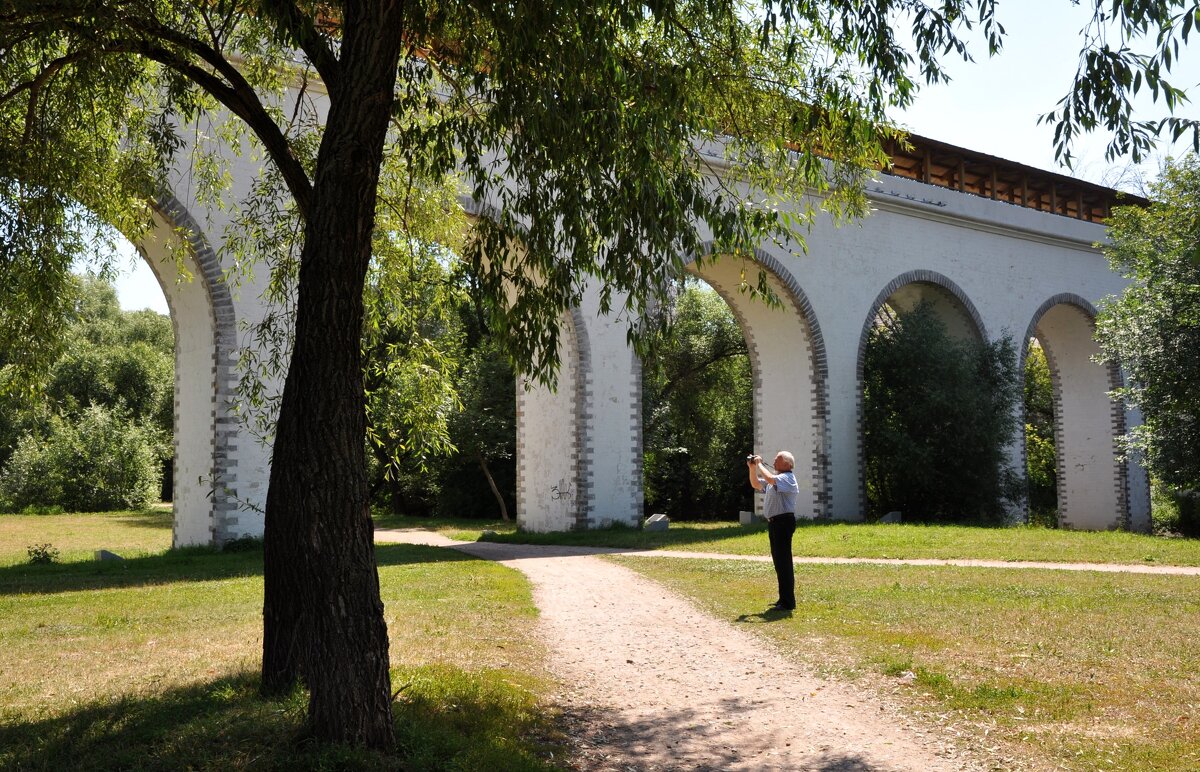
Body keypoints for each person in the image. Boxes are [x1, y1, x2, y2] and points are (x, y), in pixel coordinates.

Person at [747, 451, 798, 611]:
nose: (774, 461)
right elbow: (755, 484)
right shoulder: (775, 480)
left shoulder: (787, 478)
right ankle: (783, 599)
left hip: (783, 522)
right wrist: (752, 468)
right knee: (779, 563)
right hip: (775, 523)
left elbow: (769, 478)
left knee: (784, 563)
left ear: (787, 464)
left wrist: (760, 463)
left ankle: (788, 602)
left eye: (778, 459)